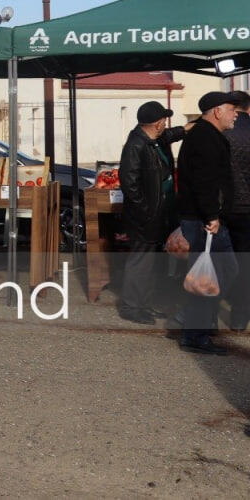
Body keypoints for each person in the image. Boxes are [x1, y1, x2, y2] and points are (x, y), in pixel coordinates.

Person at [175, 91, 241, 355]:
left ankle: (194, 322)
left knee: (219, 273)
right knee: (214, 274)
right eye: (231, 109)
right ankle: (194, 331)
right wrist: (212, 216)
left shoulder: (208, 135)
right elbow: (204, 182)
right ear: (217, 111)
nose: (235, 114)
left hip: (207, 218)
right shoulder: (204, 138)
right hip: (205, 221)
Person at [116, 100, 186, 324]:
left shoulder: (153, 140)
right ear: (157, 124)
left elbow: (171, 135)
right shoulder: (137, 145)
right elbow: (129, 183)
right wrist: (145, 211)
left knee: (151, 262)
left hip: (158, 213)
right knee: (142, 261)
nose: (165, 124)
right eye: (164, 120)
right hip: (145, 217)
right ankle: (132, 307)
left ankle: (144, 304)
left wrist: (190, 128)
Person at [223, 90, 250, 330]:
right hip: (246, 209)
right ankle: (240, 318)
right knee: (245, 264)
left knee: (218, 259)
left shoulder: (220, 132)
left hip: (221, 208)